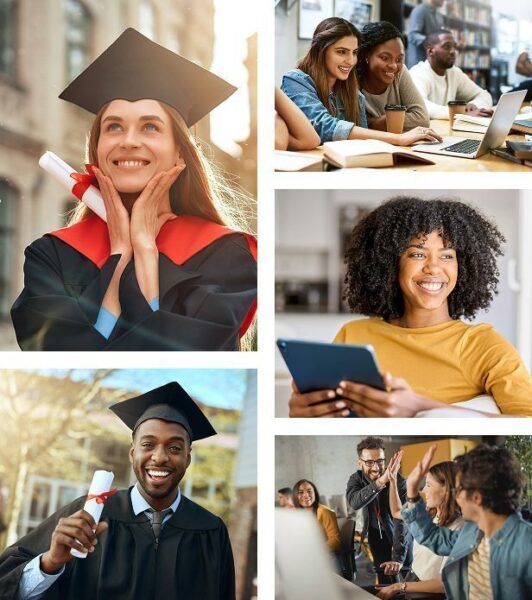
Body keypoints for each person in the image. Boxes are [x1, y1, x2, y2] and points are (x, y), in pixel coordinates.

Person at [10, 28, 257, 351]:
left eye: (150, 126)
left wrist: (144, 248)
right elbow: (57, 355)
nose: (128, 141)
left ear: (180, 150)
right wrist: (119, 253)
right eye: (114, 126)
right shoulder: (52, 256)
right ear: (97, 148)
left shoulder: (225, 255)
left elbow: (185, 355)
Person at [288, 197, 532, 417]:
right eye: (417, 255)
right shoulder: (352, 335)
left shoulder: (484, 346)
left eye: (447, 256)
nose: (434, 268)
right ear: (390, 264)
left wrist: (420, 407)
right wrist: (305, 415)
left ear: (463, 266)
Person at [0, 381, 235, 599]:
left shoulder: (211, 530)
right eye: (148, 445)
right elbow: (6, 584)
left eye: (174, 447)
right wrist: (50, 563)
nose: (160, 457)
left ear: (188, 457)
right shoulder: (87, 515)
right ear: (133, 453)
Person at [281, 18, 441, 146]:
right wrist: (399, 139)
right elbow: (324, 126)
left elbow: (364, 141)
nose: (350, 60)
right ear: (320, 51)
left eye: (354, 52)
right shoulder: (295, 81)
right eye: (341, 52)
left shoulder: (351, 92)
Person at [400, 443, 532, 599]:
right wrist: (411, 491)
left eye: (459, 489)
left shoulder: (526, 545)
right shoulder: (473, 531)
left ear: (477, 497)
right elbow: (432, 536)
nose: (455, 496)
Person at [376, 454, 463, 598]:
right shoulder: (428, 513)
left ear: (447, 490)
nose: (424, 490)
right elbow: (396, 511)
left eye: (428, 485)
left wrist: (399, 586)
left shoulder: (459, 528)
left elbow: (443, 584)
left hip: (429, 592)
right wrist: (393, 480)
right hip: (412, 579)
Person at [345, 437, 413, 585]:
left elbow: (402, 521)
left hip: (400, 534)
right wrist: (380, 482)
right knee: (383, 579)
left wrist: (398, 558)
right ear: (360, 462)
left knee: (405, 579)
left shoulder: (400, 482)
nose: (376, 467)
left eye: (380, 461)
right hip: (376, 534)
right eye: (369, 462)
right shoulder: (356, 479)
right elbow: (355, 502)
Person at [357, 21, 431, 131]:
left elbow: (422, 119)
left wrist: (374, 123)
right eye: (385, 58)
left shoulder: (400, 73)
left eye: (399, 59)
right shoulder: (353, 78)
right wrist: (395, 120)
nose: (393, 66)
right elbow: (353, 125)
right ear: (366, 55)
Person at [410, 30, 493, 119]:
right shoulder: (418, 73)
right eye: (447, 46)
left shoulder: (454, 72)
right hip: (424, 131)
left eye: (454, 46)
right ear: (430, 51)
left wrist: (473, 106)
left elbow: (484, 95)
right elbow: (421, 106)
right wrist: (462, 113)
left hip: (446, 129)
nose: (453, 51)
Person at [293, 479, 341, 555]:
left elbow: (335, 541)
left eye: (309, 491)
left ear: (315, 493)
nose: (306, 495)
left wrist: (315, 552)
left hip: (326, 558)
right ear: (295, 496)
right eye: (301, 492)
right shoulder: (297, 515)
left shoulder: (324, 511)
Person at [406, 0, 445, 68]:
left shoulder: (439, 16)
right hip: (418, 66)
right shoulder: (419, 11)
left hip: (433, 66)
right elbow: (412, 36)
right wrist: (433, 42)